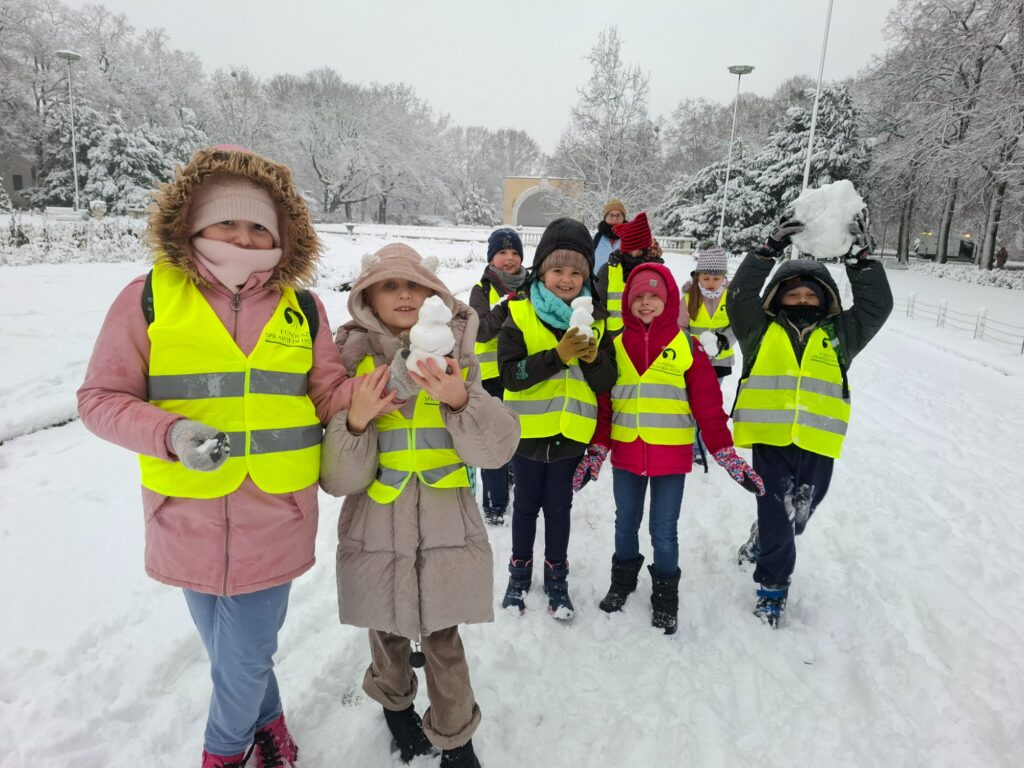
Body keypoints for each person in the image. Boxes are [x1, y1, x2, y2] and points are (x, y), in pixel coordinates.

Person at [77, 144, 352, 768]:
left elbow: (328, 393)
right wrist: (170, 433)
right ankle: (269, 721)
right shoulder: (149, 297)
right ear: (193, 221)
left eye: (259, 225)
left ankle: (222, 754)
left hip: (277, 511)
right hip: (183, 512)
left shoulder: (303, 307)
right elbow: (99, 399)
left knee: (246, 653)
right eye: (227, 220)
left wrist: (384, 389)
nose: (244, 237)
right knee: (234, 655)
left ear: (282, 233)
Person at [320, 243, 519, 768]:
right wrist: (356, 420)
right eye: (389, 285)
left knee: (443, 639)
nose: (404, 294)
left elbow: (496, 451)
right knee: (385, 630)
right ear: (368, 298)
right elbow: (338, 479)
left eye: (415, 284)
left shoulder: (458, 356)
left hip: (444, 524)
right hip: (376, 527)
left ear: (433, 293)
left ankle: (456, 737)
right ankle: (396, 707)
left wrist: (460, 399)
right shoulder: (353, 362)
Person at [728, 208, 893, 628]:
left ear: (825, 300)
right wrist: (768, 250)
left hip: (818, 443)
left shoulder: (841, 336)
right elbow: (739, 297)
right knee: (778, 519)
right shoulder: (758, 330)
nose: (802, 300)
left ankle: (762, 540)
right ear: (778, 297)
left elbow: (877, 306)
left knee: (797, 519)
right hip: (769, 440)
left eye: (811, 295)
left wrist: (860, 260)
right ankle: (772, 590)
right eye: (793, 294)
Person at [587, 263, 764, 634]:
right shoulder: (615, 346)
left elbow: (708, 408)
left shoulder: (687, 348)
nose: (646, 302)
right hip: (627, 454)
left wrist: (726, 454)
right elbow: (605, 407)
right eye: (639, 296)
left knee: (664, 531)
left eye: (654, 295)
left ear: (668, 300)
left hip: (671, 456)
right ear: (628, 301)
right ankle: (622, 581)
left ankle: (666, 596)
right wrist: (597, 451)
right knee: (625, 523)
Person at [498, 217, 617, 620]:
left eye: (575, 272)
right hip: (527, 436)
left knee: (559, 509)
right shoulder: (520, 314)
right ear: (541, 272)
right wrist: (558, 356)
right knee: (525, 508)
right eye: (557, 270)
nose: (566, 279)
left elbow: (606, 381)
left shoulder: (598, 321)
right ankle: (518, 574)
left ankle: (556, 578)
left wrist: (594, 359)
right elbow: (511, 376)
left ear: (586, 277)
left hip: (570, 437)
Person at [469, 227, 529, 525]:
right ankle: (494, 502)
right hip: (491, 378)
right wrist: (507, 307)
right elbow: (480, 331)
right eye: (502, 252)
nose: (509, 258)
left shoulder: (532, 285)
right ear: (491, 258)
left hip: (520, 372)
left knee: (518, 432)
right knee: (492, 440)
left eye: (515, 252)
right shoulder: (482, 290)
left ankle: (514, 475)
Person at [679, 245, 737, 466]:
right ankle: (687, 441)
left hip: (720, 362)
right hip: (694, 361)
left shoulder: (731, 298)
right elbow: (680, 327)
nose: (711, 283)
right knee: (691, 402)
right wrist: (693, 345)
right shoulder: (689, 297)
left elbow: (736, 326)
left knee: (708, 405)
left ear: (724, 278)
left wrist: (723, 340)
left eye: (716, 278)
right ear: (697, 277)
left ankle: (699, 446)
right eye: (706, 278)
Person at [594, 211, 665, 335]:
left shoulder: (657, 272)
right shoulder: (608, 270)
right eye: (630, 250)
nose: (634, 254)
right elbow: (599, 305)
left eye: (639, 250)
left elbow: (666, 307)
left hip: (646, 336)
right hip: (613, 336)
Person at [593, 198, 627, 271]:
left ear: (623, 218)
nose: (614, 219)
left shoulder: (631, 238)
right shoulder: (596, 239)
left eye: (618, 215)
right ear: (605, 217)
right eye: (611, 215)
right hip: (598, 278)